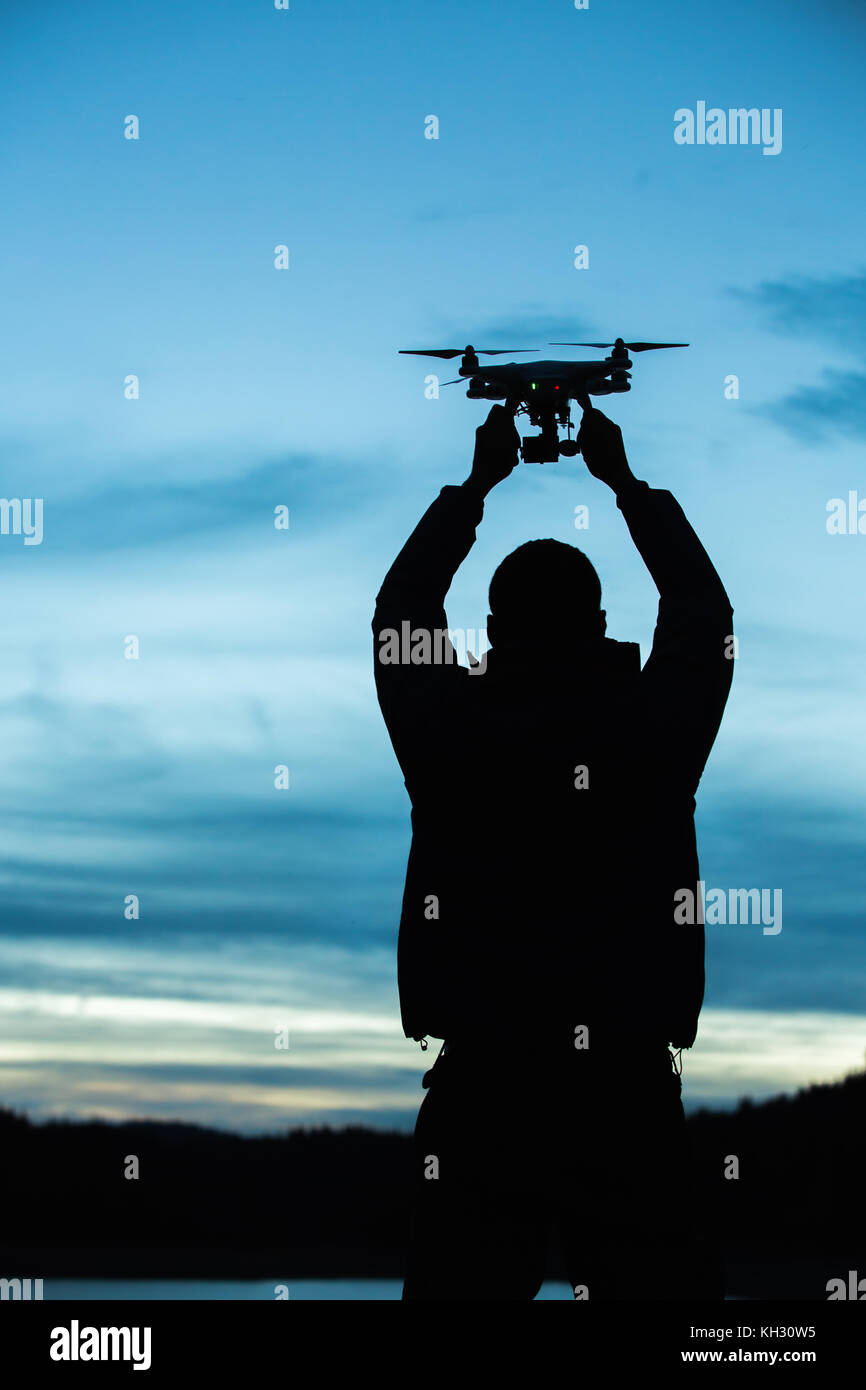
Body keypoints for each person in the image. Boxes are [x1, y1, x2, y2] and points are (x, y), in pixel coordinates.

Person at [372, 401, 734, 1299]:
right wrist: (624, 485)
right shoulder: (653, 728)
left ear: (491, 630)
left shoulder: (450, 730)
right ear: (602, 620)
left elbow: (403, 609)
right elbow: (701, 613)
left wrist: (478, 484)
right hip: (626, 1095)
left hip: (484, 1093)